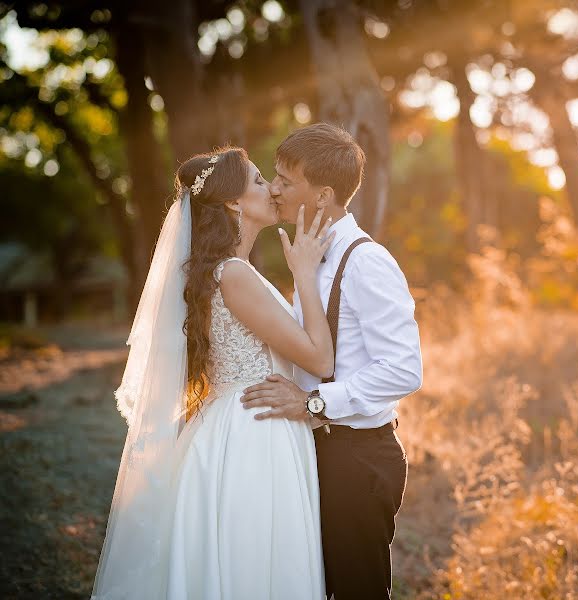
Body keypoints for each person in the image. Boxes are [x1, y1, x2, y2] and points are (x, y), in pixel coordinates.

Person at [93, 146, 333, 599]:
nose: (272, 190)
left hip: (238, 424)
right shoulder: (235, 275)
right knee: (254, 563)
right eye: (260, 181)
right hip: (253, 435)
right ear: (233, 202)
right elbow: (319, 360)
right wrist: (304, 273)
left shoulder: (227, 273)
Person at [241, 123, 424, 599]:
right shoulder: (310, 256)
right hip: (316, 453)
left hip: (358, 459)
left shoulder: (365, 261)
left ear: (321, 196)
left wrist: (314, 404)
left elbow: (404, 368)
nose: (273, 188)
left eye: (285, 180)